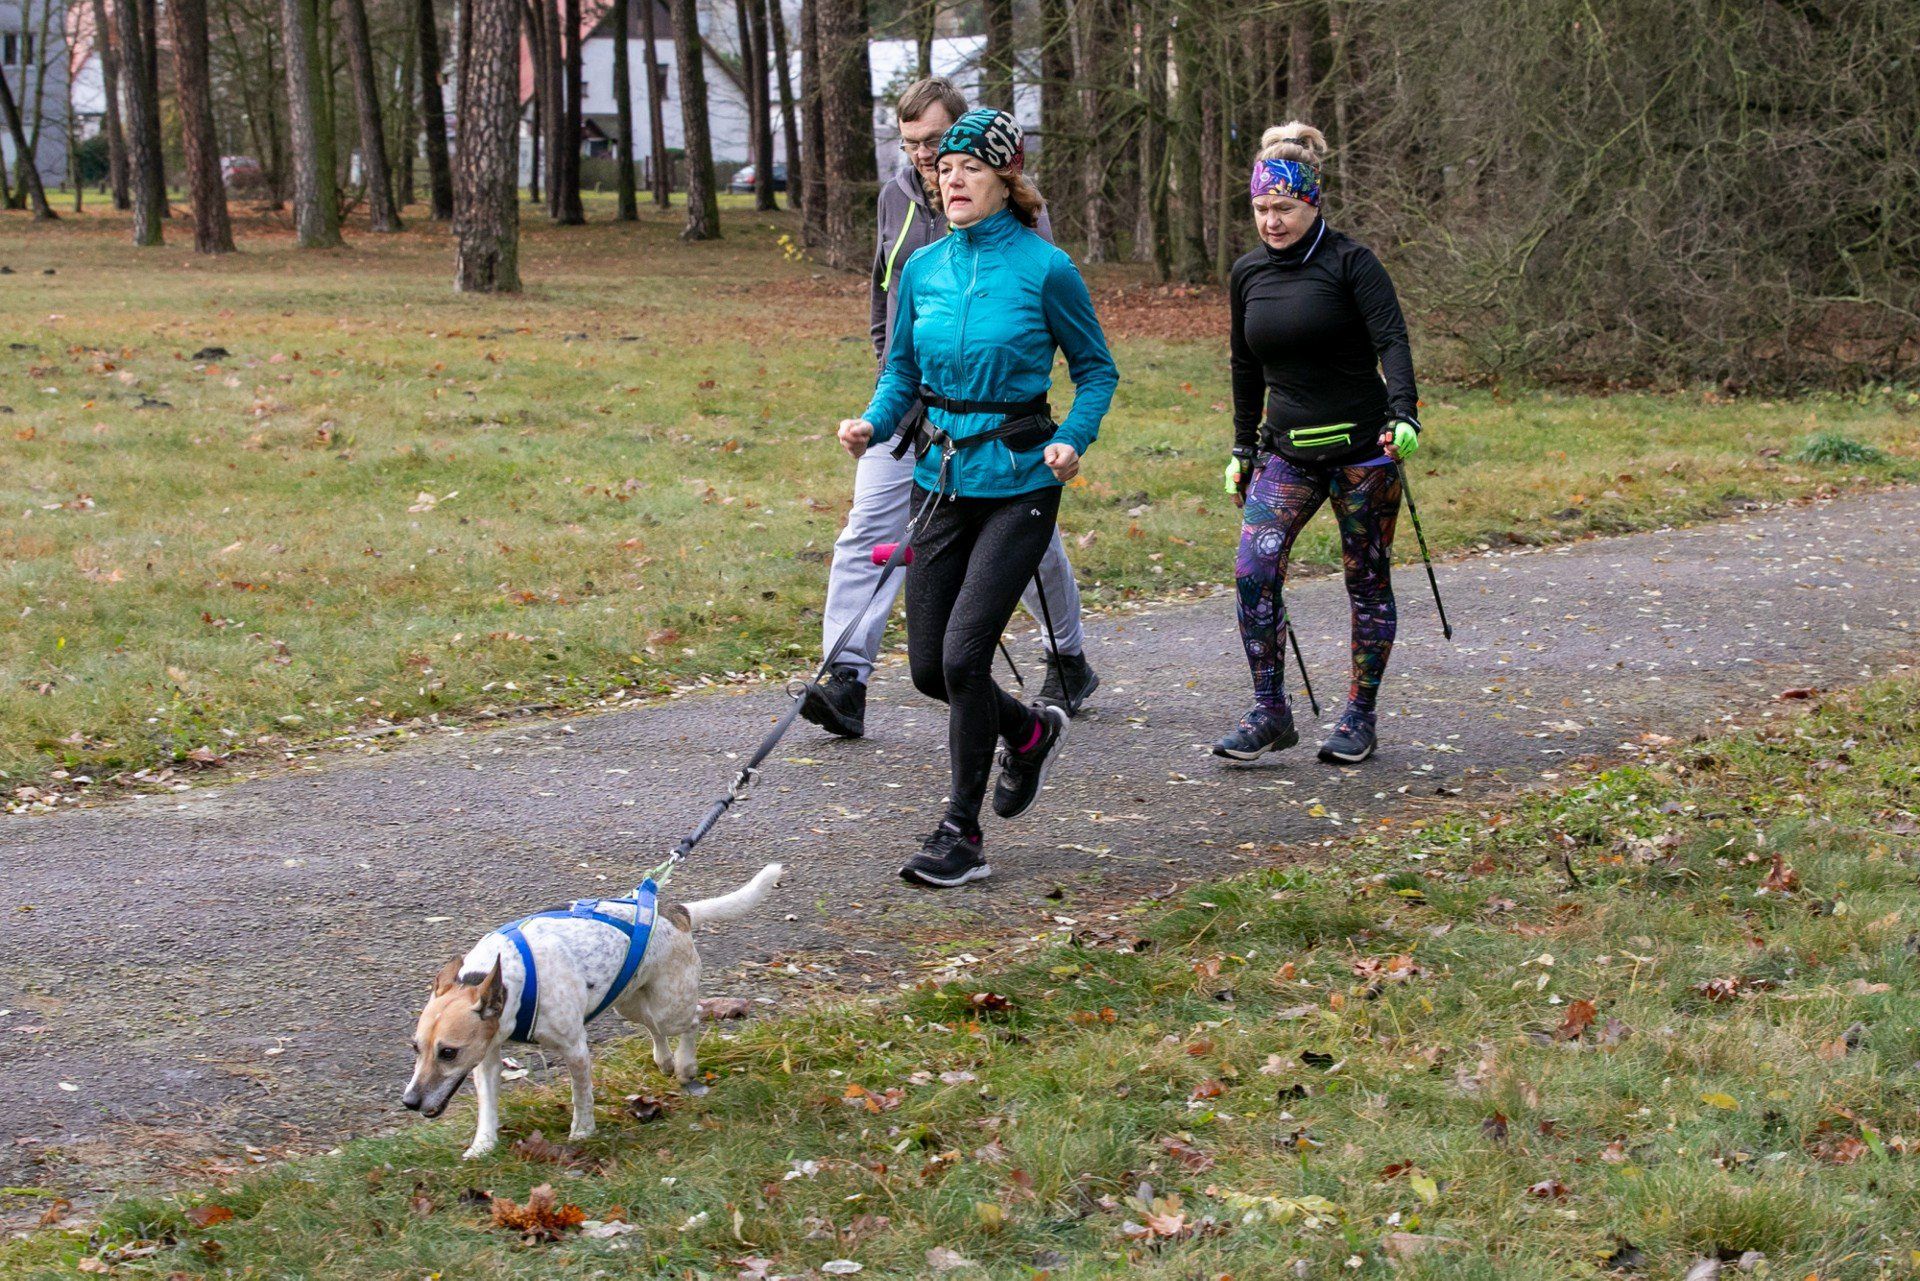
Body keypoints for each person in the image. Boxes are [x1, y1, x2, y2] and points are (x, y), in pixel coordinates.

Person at [837, 108, 1118, 887]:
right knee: (929, 668)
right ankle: (1028, 732)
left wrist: (1075, 438)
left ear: (1005, 179)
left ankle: (960, 833)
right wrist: (873, 420)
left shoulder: (1045, 268)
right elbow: (901, 372)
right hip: (942, 482)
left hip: (1022, 481)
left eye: (968, 166)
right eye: (942, 167)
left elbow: (1097, 371)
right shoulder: (923, 268)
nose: (950, 176)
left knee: (965, 657)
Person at [799, 78, 1100, 741]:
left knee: (1028, 540)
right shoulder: (895, 198)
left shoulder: (1020, 218)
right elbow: (886, 295)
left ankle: (1065, 655)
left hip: (999, 424)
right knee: (865, 534)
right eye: (913, 146)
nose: (926, 159)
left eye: (936, 142)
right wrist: (886, 400)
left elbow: (1034, 315)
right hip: (908, 405)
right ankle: (845, 676)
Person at [1216, 121, 1422, 767]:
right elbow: (1244, 367)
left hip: (1364, 452)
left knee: (1365, 580)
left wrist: (1405, 413)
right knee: (1254, 572)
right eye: (1260, 208)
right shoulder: (1248, 273)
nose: (1271, 221)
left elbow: (1393, 339)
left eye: (1284, 207)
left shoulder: (1352, 263)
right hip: (1288, 452)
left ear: (1313, 202)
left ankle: (1359, 716)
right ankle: (1270, 710)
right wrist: (1243, 448)